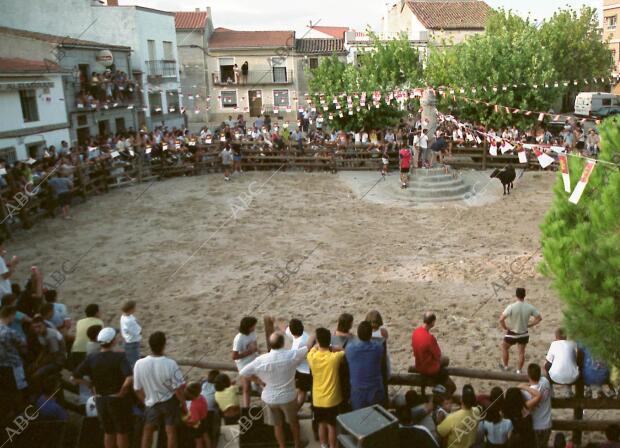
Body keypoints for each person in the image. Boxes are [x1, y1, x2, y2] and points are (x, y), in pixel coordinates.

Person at [239, 331, 310, 448]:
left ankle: (282, 446)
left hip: (269, 398)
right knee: (293, 422)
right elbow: (307, 348)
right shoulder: (291, 355)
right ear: (283, 343)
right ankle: (297, 445)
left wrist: (258, 381)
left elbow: (243, 372)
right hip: (288, 397)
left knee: (277, 425)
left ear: (270, 344)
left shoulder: (261, 360)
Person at [73, 327, 133, 448]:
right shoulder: (120, 357)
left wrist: (89, 384)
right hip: (116, 399)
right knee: (121, 431)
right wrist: (122, 391)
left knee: (108, 431)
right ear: (113, 341)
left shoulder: (91, 358)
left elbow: (74, 377)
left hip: (100, 399)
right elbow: (129, 378)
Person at [134, 331, 186, 448]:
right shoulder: (171, 363)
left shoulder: (139, 363)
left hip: (151, 401)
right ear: (164, 345)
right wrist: (183, 404)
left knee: (148, 431)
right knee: (171, 432)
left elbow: (137, 389)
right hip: (168, 401)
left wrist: (146, 401)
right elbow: (178, 389)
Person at [307, 327, 345, 448]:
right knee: (331, 426)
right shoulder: (334, 357)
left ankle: (323, 445)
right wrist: (334, 348)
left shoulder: (311, 357)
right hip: (332, 399)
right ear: (329, 341)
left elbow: (312, 349)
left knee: (321, 424)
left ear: (318, 341)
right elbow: (344, 351)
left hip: (318, 399)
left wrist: (317, 345)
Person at [411, 312, 456, 396]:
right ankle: (440, 391)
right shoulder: (430, 338)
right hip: (430, 369)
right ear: (432, 322)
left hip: (419, 365)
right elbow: (437, 355)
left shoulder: (415, 332)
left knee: (444, 360)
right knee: (452, 386)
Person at [499, 288, 542, 374]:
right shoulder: (530, 307)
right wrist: (530, 325)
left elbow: (501, 319)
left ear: (516, 295)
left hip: (512, 333)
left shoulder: (511, 307)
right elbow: (539, 318)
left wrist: (505, 327)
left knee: (504, 347)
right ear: (524, 295)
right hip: (523, 333)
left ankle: (506, 366)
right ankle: (519, 370)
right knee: (521, 352)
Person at [345, 321, 386, 410]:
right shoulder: (378, 348)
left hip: (358, 393)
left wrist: (353, 338)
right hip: (375, 391)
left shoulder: (350, 349)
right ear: (371, 334)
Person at [0, 305, 27, 427]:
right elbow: (23, 344)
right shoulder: (9, 331)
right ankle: (19, 418)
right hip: (14, 365)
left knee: (6, 392)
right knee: (18, 391)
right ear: (10, 315)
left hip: (1, 366)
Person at [522, 363, 552, 448]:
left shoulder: (527, 393)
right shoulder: (545, 381)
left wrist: (523, 387)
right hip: (548, 423)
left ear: (529, 376)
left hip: (536, 425)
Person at [283, 318, 311, 408]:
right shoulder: (304, 335)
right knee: (300, 390)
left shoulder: (298, 345)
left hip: (303, 370)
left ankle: (295, 409)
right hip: (304, 368)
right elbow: (286, 329)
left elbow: (294, 360)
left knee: (302, 391)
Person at [232, 316, 259, 408]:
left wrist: (254, 348)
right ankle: (246, 408)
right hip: (243, 363)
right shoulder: (239, 339)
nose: (255, 327)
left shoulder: (253, 333)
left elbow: (255, 343)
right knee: (246, 388)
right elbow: (234, 356)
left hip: (253, 359)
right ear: (248, 327)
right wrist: (249, 352)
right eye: (253, 326)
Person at [545, 328, 579, 397]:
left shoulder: (554, 344)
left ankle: (550, 391)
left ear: (556, 336)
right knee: (570, 364)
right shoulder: (572, 343)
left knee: (547, 366)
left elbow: (548, 361)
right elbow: (575, 359)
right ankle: (568, 390)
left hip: (555, 377)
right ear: (566, 336)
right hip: (572, 377)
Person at [31, 314, 66, 381]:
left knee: (36, 375)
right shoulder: (40, 334)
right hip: (50, 356)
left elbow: (55, 355)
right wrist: (37, 361)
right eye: (35, 327)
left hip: (58, 360)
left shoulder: (51, 336)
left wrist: (40, 364)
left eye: (39, 326)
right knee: (32, 368)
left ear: (44, 325)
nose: (37, 329)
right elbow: (44, 349)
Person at [71, 303, 104, 368]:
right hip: (89, 351)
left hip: (76, 350)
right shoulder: (99, 322)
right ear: (96, 313)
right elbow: (100, 338)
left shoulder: (79, 322)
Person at [183, 382, 212, 448]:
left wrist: (187, 422)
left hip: (198, 425)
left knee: (198, 441)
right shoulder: (202, 397)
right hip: (204, 419)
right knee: (206, 437)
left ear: (191, 395)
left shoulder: (194, 406)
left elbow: (195, 420)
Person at [120, 300, 142, 368]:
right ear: (131, 309)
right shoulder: (129, 321)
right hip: (133, 343)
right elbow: (139, 331)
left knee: (131, 360)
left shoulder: (124, 316)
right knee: (135, 362)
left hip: (128, 341)